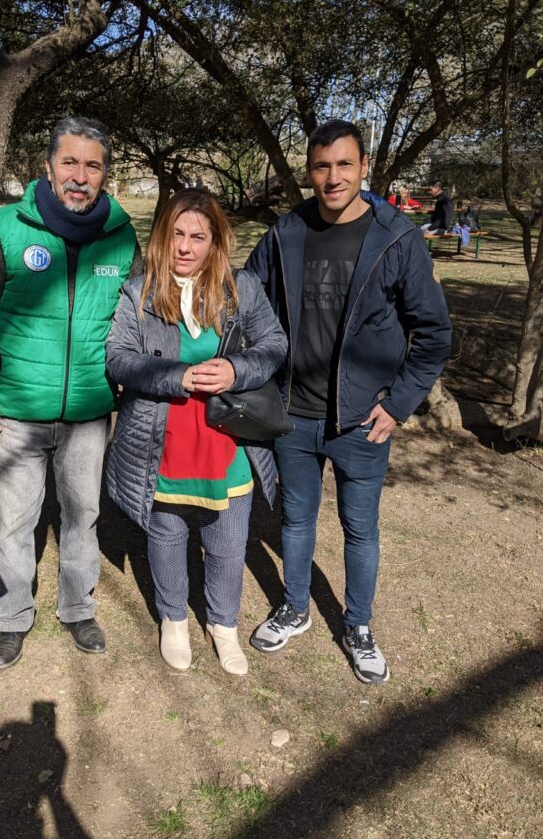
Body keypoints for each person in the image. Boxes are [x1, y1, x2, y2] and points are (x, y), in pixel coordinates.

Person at [245, 120, 452, 684]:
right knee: (295, 519)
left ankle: (357, 624)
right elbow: (245, 298)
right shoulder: (286, 231)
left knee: (361, 529)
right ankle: (294, 607)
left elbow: (433, 332)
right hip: (293, 413)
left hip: (363, 420)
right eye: (320, 166)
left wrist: (399, 403)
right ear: (309, 171)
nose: (332, 177)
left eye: (343, 165)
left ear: (364, 168)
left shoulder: (396, 236)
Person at [0, 117, 140, 670]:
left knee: (82, 514)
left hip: (88, 412)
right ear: (49, 166)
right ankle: (12, 616)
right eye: (70, 163)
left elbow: (137, 318)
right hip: (14, 411)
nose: (80, 177)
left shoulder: (122, 236)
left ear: (105, 174)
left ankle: (78, 607)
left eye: (93, 165)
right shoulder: (10, 227)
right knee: (13, 521)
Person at [106, 189, 288, 675]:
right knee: (165, 535)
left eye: (198, 237)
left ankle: (223, 623)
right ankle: (174, 619)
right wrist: (174, 377)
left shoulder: (239, 287)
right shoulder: (139, 291)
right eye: (177, 235)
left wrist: (235, 369)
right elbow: (118, 356)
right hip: (159, 439)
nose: (185, 248)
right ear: (162, 238)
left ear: (215, 242)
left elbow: (274, 344)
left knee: (228, 543)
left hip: (227, 440)